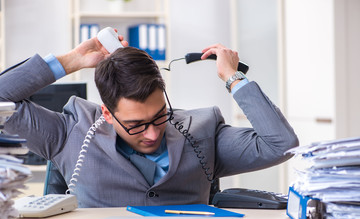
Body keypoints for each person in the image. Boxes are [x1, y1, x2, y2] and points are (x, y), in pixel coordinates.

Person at [0, 34, 298, 207]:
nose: (153, 133)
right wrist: (71, 60)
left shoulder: (204, 130)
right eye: (136, 125)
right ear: (107, 113)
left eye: (159, 116)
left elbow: (281, 145)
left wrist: (233, 78)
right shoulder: (69, 132)